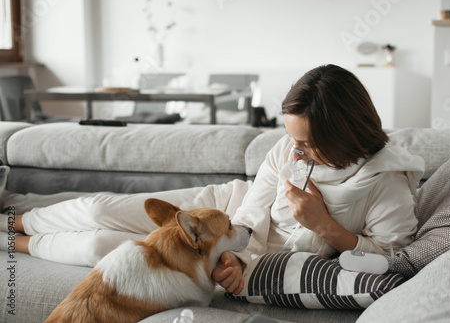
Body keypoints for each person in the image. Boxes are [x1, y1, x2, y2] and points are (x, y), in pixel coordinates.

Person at [0, 64, 424, 296]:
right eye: (293, 138)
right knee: (97, 208)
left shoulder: (385, 181)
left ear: (343, 134)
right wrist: (236, 248)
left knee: (98, 245)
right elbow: (254, 207)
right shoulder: (287, 148)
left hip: (235, 251)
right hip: (226, 209)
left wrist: (325, 228)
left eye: (308, 143)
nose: (295, 152)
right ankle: (11, 219)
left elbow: (392, 258)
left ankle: (9, 241)